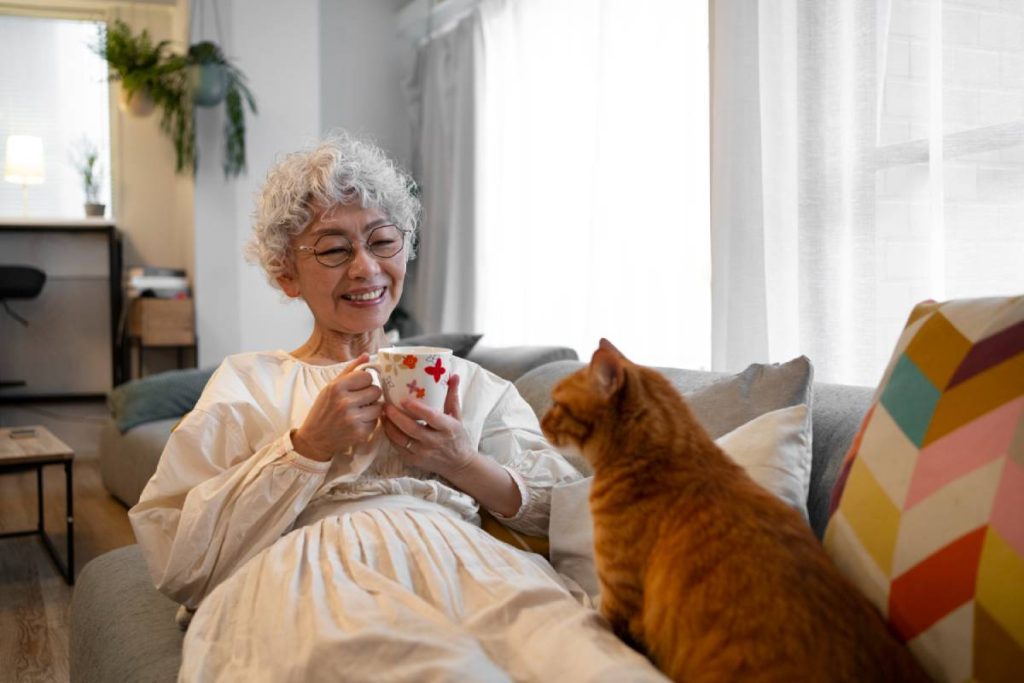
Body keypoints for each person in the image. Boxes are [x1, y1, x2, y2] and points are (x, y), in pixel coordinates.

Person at [129, 133, 666, 681]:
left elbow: (566, 516)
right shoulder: (251, 381)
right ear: (286, 272)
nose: (366, 269)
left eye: (382, 241)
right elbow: (179, 553)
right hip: (314, 575)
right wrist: (305, 450)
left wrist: (463, 462)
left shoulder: (468, 383)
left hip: (473, 568)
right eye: (335, 249)